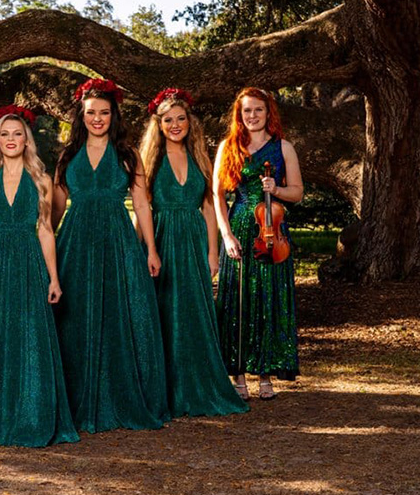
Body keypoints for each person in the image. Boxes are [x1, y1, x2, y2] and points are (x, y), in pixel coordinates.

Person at [0, 106, 79, 447]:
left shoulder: (40, 178)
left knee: (28, 339)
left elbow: (46, 231)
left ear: (27, 140)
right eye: (5, 134)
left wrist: (53, 279)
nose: (11, 139)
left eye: (17, 134)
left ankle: (29, 415)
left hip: (27, 265)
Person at [53, 78, 169, 433]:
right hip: (75, 241)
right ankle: (75, 398)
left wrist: (150, 248)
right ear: (81, 115)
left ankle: (119, 398)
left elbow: (142, 205)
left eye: (104, 112)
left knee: (119, 313)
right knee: (74, 316)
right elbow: (56, 208)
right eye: (91, 113)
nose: (98, 119)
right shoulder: (68, 154)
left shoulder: (127, 153)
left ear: (113, 114)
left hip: (118, 241)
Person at [139, 88, 249, 417]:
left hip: (193, 242)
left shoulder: (200, 156)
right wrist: (144, 250)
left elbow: (209, 207)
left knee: (194, 312)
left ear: (190, 122)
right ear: (158, 125)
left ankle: (200, 386)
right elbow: (141, 207)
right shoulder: (150, 160)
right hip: (160, 239)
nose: (175, 125)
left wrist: (213, 252)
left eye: (181, 119)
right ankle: (166, 392)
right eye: (168, 120)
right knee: (162, 313)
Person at [213, 87, 303, 401]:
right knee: (237, 301)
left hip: (272, 231)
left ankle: (265, 374)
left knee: (268, 299)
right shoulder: (228, 146)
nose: (252, 116)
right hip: (239, 227)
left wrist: (275, 188)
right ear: (240, 115)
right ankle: (237, 376)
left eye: (258, 110)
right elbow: (217, 196)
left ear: (268, 113)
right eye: (247, 111)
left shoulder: (284, 148)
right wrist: (226, 235)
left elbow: (297, 193)